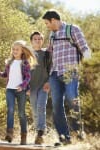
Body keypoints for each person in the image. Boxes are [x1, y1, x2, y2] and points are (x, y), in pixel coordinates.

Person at [42, 10, 91, 145]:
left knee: (72, 99)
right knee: (57, 105)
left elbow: (85, 49)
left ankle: (77, 134)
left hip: (70, 73)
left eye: (47, 23)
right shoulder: (52, 35)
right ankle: (64, 137)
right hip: (55, 74)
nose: (47, 26)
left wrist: (89, 70)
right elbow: (49, 54)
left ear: (53, 20)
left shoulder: (72, 29)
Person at [0, 40, 37, 145]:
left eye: (17, 49)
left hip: (21, 91)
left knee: (21, 114)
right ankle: (9, 133)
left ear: (22, 51)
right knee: (10, 110)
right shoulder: (9, 62)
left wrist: (22, 86)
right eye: (13, 49)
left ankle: (23, 136)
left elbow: (28, 77)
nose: (15, 51)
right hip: (10, 89)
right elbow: (6, 74)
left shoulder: (25, 63)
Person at [29, 31, 50, 144]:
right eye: (35, 39)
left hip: (44, 86)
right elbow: (24, 72)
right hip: (32, 87)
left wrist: (49, 82)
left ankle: (40, 132)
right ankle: (39, 132)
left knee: (41, 107)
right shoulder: (28, 54)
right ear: (31, 41)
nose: (37, 41)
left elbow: (51, 69)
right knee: (35, 110)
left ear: (42, 41)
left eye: (39, 39)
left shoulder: (47, 53)